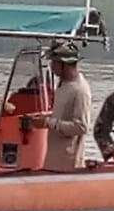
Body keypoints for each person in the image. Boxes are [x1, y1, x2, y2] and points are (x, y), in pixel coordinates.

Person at [31, 42, 93, 171]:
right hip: (53, 160)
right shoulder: (63, 84)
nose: (51, 66)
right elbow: (62, 115)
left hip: (67, 164)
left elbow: (81, 127)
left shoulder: (80, 90)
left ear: (65, 64)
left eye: (54, 62)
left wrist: (48, 122)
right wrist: (43, 118)